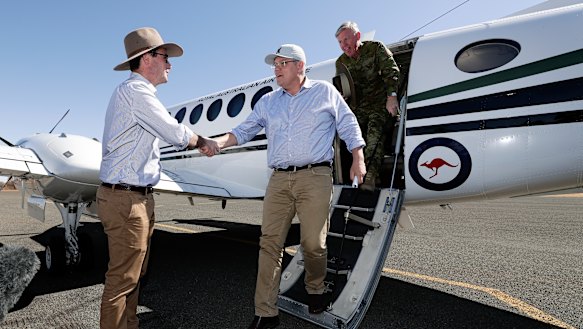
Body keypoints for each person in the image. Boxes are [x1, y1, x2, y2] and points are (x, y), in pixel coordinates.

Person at [209, 44, 366, 329]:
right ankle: (265, 313)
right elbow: (245, 130)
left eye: (282, 63)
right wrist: (218, 143)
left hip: (314, 177)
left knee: (313, 244)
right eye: (275, 64)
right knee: (269, 243)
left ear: (300, 66)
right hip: (279, 179)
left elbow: (348, 123)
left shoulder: (324, 92)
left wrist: (358, 156)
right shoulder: (269, 101)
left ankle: (315, 288)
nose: (276, 69)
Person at [97, 27, 218, 329]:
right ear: (147, 58)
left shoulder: (138, 94)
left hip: (137, 197)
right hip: (126, 199)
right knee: (122, 280)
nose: (170, 64)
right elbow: (174, 132)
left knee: (135, 276)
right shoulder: (135, 92)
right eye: (165, 57)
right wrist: (204, 141)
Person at [335, 21, 400, 191]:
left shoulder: (375, 48)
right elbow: (342, 87)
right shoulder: (341, 62)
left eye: (346, 40)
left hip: (380, 102)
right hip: (358, 107)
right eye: (340, 42)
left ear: (357, 36)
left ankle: (369, 177)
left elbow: (391, 71)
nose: (344, 45)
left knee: (374, 131)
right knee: (350, 135)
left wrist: (391, 97)